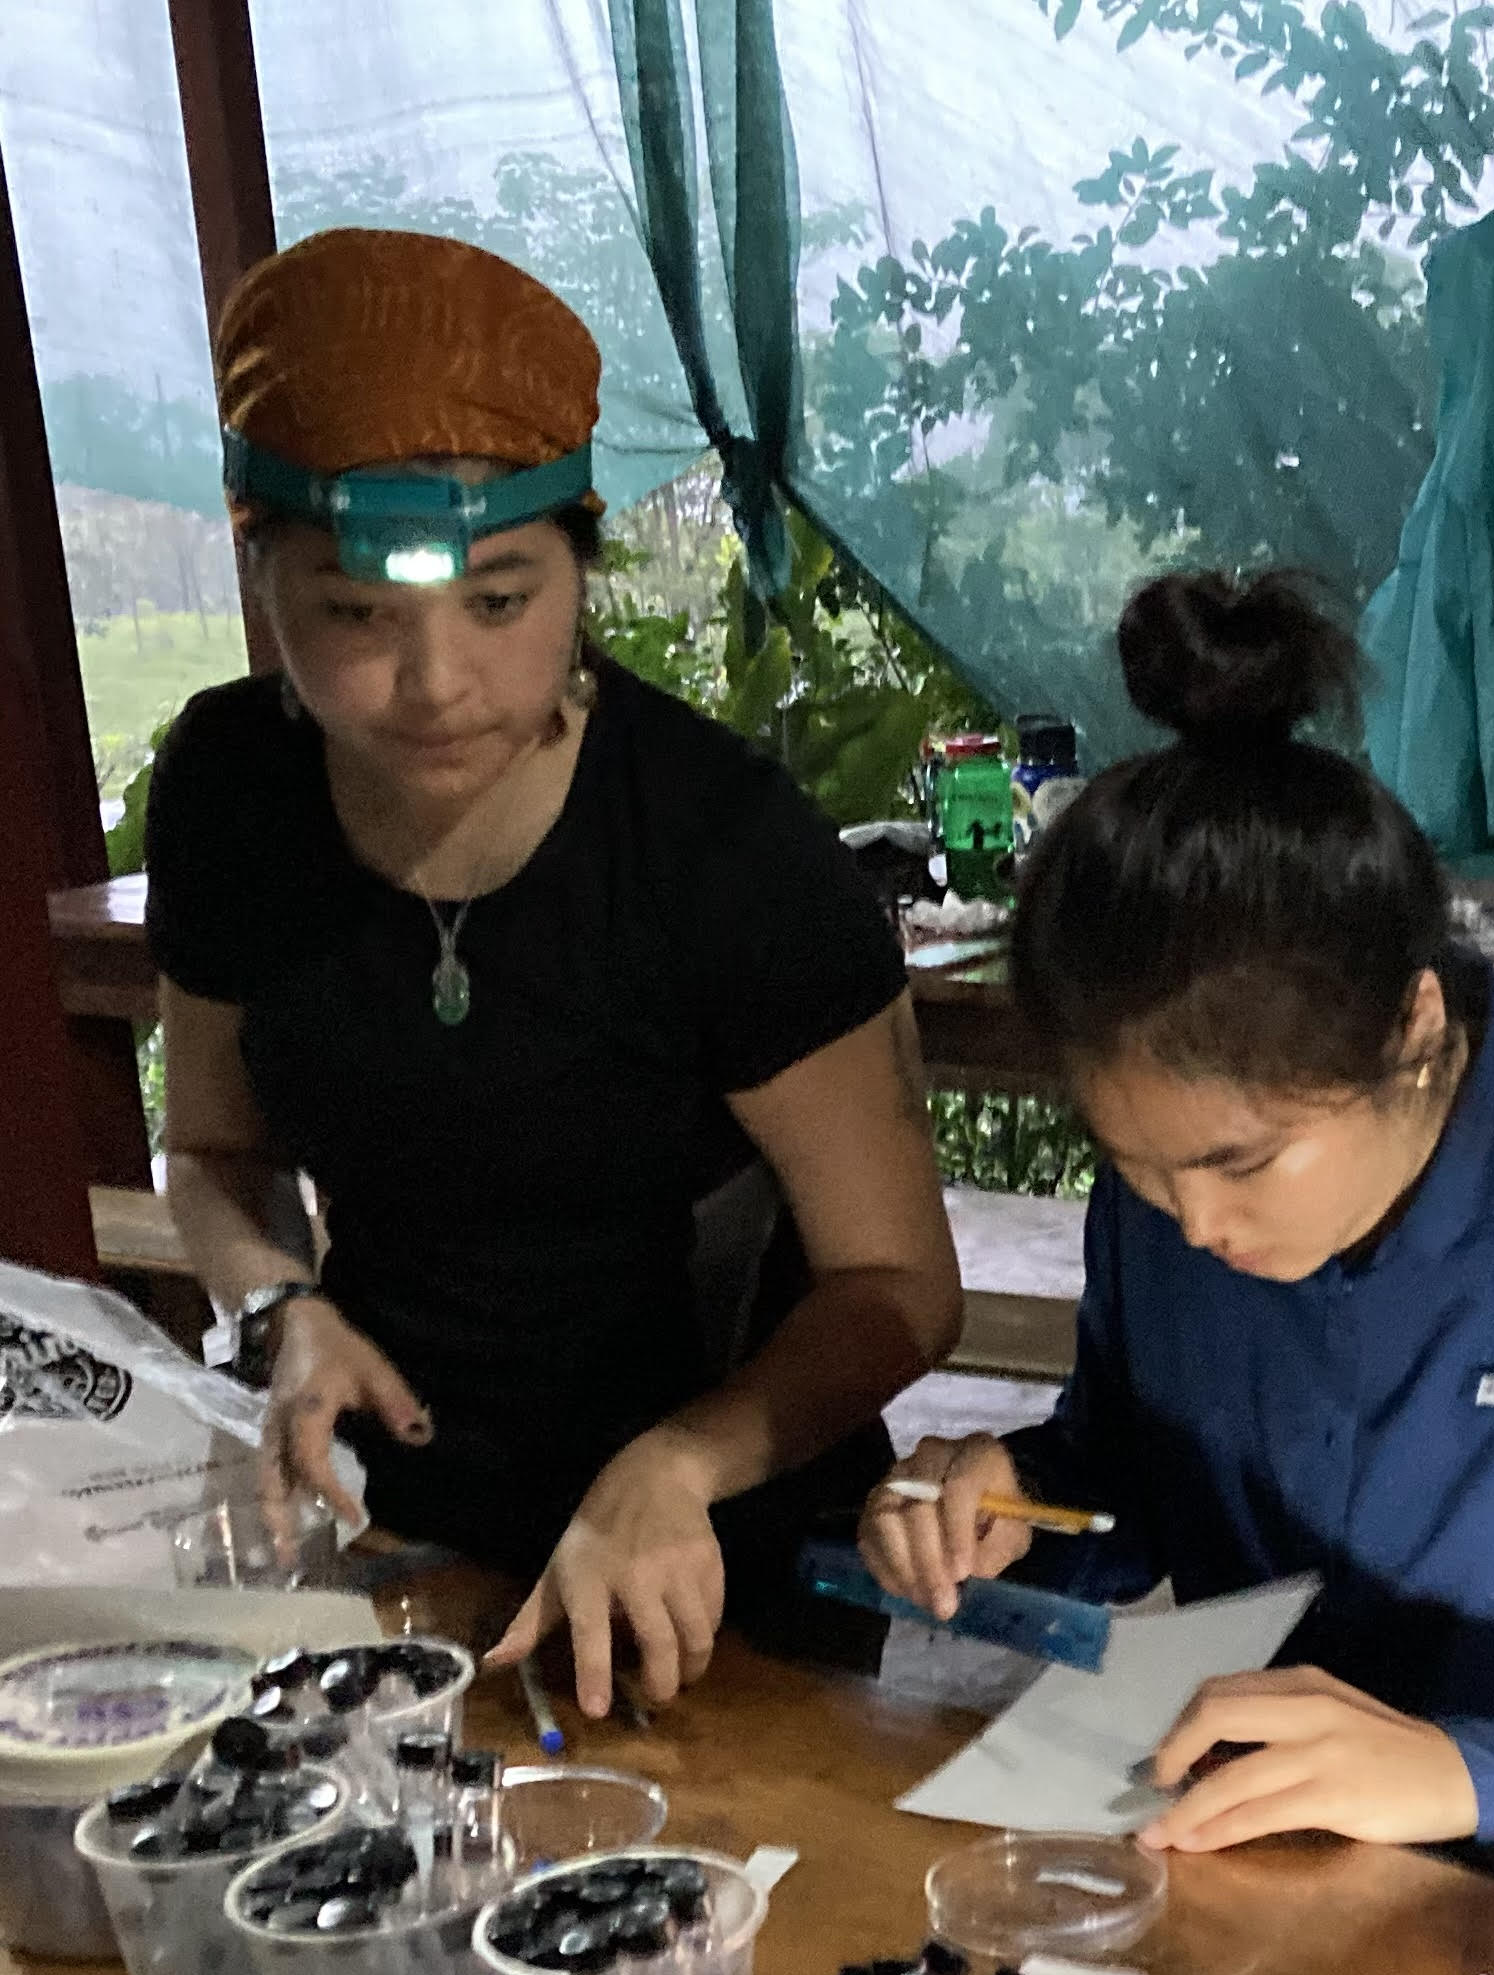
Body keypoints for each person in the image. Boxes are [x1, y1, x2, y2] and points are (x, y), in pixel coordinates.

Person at [861, 570, 1494, 1873]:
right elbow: (1133, 1476)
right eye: (1138, 1170)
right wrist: (1016, 1508)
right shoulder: (1164, 1202)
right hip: (1255, 1867)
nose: (1194, 1224)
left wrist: (1463, 1772)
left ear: (1413, 1031)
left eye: (1244, 1163)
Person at [146, 229, 959, 1712]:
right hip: (405, 1533)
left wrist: (679, 1460)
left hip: (720, 1557)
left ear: (579, 556)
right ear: (255, 561)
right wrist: (280, 1307)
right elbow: (205, 1150)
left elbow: (899, 1286)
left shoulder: (720, 854)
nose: (436, 680)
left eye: (502, 600)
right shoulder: (229, 791)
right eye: (353, 615)